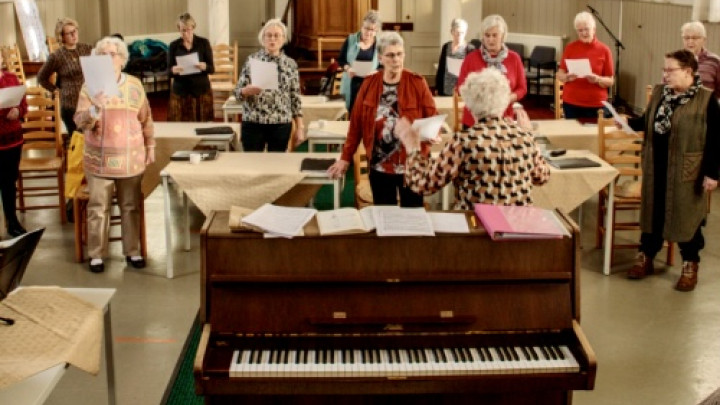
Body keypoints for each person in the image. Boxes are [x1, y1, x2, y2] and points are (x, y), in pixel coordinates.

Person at [626, 49, 720, 292]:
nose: (665, 75)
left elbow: (716, 140)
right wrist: (626, 120)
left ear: (688, 71)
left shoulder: (707, 99)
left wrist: (713, 173)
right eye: (664, 70)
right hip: (656, 165)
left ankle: (690, 264)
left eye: (670, 70)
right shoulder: (659, 93)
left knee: (687, 215)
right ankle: (646, 255)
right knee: (653, 212)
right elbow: (646, 121)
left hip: (688, 170)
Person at [398, 68, 549, 209]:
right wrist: (530, 135)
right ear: (504, 101)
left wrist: (413, 149)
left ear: (469, 106)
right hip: (518, 227)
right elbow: (542, 177)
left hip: (477, 226)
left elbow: (423, 184)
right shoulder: (525, 137)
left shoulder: (464, 141)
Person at [327, 31, 438, 207]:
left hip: (412, 166)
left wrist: (432, 133)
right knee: (384, 219)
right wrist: (345, 158)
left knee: (413, 219)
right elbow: (355, 125)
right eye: (390, 55)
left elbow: (433, 117)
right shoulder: (369, 84)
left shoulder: (417, 82)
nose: (396, 59)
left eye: (400, 54)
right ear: (380, 58)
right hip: (379, 166)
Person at [74, 36, 155, 273]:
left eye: (113, 54)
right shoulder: (89, 87)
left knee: (130, 206)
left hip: (130, 158)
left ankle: (132, 251)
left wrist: (151, 146)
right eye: (103, 55)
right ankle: (96, 254)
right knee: (98, 207)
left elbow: (146, 118)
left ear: (122, 59)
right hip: (98, 159)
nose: (108, 59)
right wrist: (94, 107)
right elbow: (80, 121)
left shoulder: (135, 85)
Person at [234, 19, 304, 152]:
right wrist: (245, 91)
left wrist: (300, 127)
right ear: (263, 38)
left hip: (280, 123)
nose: (272, 39)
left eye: (277, 35)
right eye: (269, 35)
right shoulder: (251, 60)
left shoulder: (291, 64)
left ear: (283, 39)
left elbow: (295, 99)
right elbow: (237, 93)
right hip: (254, 121)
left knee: (276, 166)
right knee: (251, 166)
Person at [457, 14, 526, 128]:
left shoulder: (514, 58)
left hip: (505, 119)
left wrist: (509, 98)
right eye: (487, 35)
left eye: (495, 35)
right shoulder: (471, 58)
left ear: (502, 36)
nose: (490, 39)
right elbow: (461, 87)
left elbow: (522, 88)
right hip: (474, 121)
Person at [37, 17, 93, 139]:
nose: (74, 35)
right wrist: (56, 91)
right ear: (62, 37)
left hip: (88, 102)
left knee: (91, 140)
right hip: (70, 106)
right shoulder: (57, 56)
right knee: (77, 141)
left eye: (75, 31)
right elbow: (41, 78)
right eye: (69, 33)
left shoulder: (87, 49)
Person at [556, 11, 614, 120]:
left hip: (597, 104)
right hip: (571, 102)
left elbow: (610, 81)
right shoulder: (570, 48)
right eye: (580, 30)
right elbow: (560, 74)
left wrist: (597, 79)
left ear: (594, 29)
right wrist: (566, 77)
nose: (584, 33)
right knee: (573, 135)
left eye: (587, 29)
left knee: (594, 136)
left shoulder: (604, 50)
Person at [167, 12, 215, 122]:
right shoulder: (173, 46)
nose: (186, 33)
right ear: (179, 30)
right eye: (182, 30)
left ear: (193, 28)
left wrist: (204, 66)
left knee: (203, 126)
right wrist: (173, 70)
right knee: (180, 128)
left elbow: (212, 69)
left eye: (188, 30)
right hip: (181, 91)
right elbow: (168, 72)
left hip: (200, 90)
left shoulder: (203, 43)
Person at [0, 51, 28, 238]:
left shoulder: (11, 78)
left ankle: (12, 221)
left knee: (9, 182)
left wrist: (18, 111)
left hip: (13, 139)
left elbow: (23, 103)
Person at [338, 9, 381, 114]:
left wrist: (375, 72)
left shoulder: (380, 44)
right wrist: (348, 68)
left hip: (370, 84)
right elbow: (341, 60)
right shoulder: (351, 39)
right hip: (352, 84)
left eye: (372, 30)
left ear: (377, 31)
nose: (369, 32)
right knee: (352, 113)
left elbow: (383, 66)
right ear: (362, 26)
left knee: (368, 114)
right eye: (366, 28)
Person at [435, 18, 478, 97]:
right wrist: (437, 86)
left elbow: (473, 72)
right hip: (445, 87)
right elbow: (441, 68)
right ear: (452, 32)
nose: (459, 35)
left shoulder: (470, 49)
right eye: (457, 32)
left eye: (462, 33)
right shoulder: (446, 46)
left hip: (461, 89)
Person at [681, 21, 720, 100]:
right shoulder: (674, 60)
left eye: (695, 38)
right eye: (686, 38)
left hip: (706, 110)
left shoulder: (715, 62)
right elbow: (665, 88)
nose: (690, 41)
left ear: (704, 40)